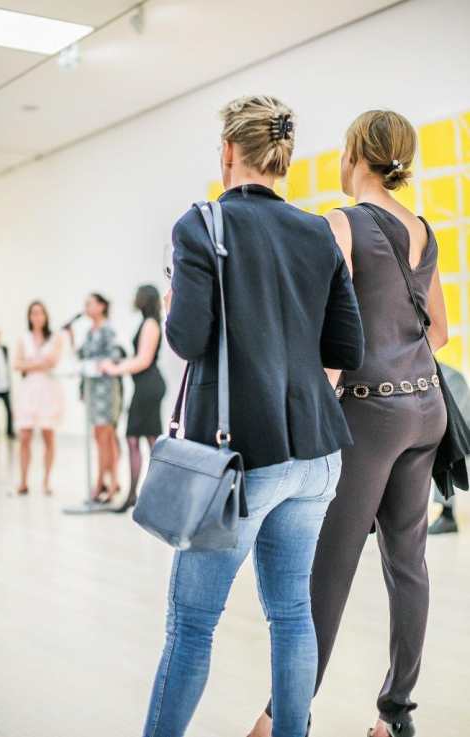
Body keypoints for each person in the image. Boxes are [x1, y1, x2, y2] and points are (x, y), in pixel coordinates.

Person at [140, 95, 364, 737]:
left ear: (229, 152)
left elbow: (186, 339)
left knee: (191, 625)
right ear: (282, 158)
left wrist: (174, 295)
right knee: (291, 613)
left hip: (241, 460)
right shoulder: (318, 231)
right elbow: (347, 349)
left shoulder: (201, 225)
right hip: (318, 454)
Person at [251, 110, 448, 737]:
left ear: (355, 154)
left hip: (371, 413)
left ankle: (283, 716)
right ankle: (396, 717)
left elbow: (327, 335)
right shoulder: (422, 228)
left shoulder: (342, 223)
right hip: (426, 409)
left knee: (328, 570)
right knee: (408, 564)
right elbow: (439, 332)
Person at [99, 285, 166, 513]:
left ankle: (138, 496)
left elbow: (143, 360)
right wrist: (119, 363)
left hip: (148, 387)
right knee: (144, 440)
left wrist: (114, 369)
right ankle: (144, 495)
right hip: (146, 386)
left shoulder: (150, 324)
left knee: (138, 439)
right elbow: (139, 358)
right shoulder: (148, 322)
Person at [14, 302, 64, 494]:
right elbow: (17, 364)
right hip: (28, 391)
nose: (37, 317)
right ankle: (23, 481)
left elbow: (53, 362)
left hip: (48, 390)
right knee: (24, 437)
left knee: (48, 435)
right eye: (33, 313)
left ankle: (46, 481)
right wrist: (38, 362)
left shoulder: (54, 338)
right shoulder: (24, 339)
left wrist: (29, 362)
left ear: (45, 316)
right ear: (29, 316)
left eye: (40, 313)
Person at [77, 294, 122, 503]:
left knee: (107, 435)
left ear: (102, 306)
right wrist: (82, 388)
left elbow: (114, 356)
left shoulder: (107, 329)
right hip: (92, 389)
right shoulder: (89, 332)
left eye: (90, 303)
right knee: (98, 435)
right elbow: (82, 358)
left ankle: (107, 483)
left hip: (106, 388)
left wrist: (98, 364)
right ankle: (107, 481)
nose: (86, 307)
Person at [428, 362, 470, 534]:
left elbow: (450, 419)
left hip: (461, 435)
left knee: (445, 454)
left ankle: (447, 516)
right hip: (447, 433)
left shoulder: (452, 377)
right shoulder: (419, 373)